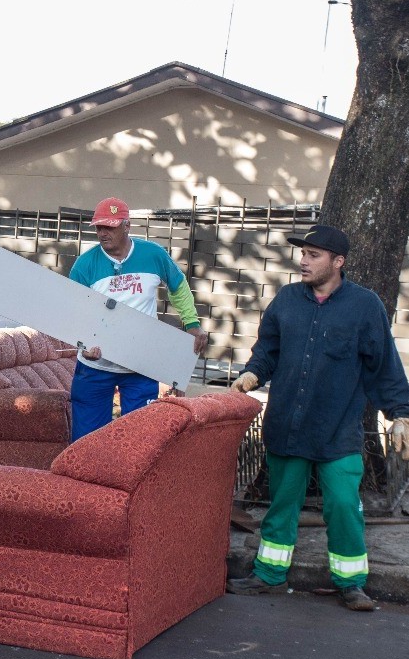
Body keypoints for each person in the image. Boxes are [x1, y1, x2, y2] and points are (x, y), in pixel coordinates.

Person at [227, 224, 409, 611]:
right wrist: (253, 372)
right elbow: (268, 349)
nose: (303, 261)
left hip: (336, 431)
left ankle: (351, 583)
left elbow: (384, 366)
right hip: (287, 427)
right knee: (282, 505)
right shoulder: (287, 300)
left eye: (313, 255)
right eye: (302, 253)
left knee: (344, 506)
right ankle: (269, 575)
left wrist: (401, 414)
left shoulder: (365, 306)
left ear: (338, 262)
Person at [68, 197, 208, 442]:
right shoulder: (84, 265)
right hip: (95, 366)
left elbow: (178, 286)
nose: (102, 233)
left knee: (141, 441)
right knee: (86, 442)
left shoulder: (153, 255)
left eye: (109, 227)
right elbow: (73, 311)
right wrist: (82, 342)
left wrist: (192, 324)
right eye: (99, 227)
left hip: (141, 365)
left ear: (126, 225)